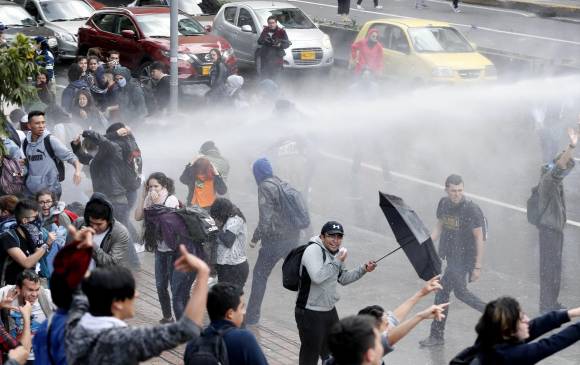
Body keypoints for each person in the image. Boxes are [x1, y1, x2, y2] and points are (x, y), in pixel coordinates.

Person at [65, 242, 210, 365]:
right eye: (131, 292)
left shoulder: (74, 322)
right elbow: (187, 329)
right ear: (116, 304)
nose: (137, 294)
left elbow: (79, 289)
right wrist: (203, 272)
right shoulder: (122, 341)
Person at [295, 221, 376, 365]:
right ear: (322, 236)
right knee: (310, 354)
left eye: (339, 237)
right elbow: (317, 277)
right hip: (309, 312)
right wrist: (338, 261)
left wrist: (364, 269)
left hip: (329, 311)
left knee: (335, 352)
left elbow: (343, 278)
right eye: (331, 236)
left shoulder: (337, 254)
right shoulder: (313, 250)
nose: (335, 240)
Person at [419, 174, 486, 347]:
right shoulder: (444, 204)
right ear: (446, 190)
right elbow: (439, 226)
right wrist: (427, 242)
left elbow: (480, 238)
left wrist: (478, 266)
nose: (457, 194)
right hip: (451, 256)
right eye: (453, 191)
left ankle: (436, 335)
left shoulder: (471, 209)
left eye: (460, 190)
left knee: (446, 292)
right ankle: (437, 336)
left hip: (465, 258)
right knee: (452, 292)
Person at [245, 158, 301, 325]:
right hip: (292, 237)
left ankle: (252, 317)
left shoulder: (265, 187)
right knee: (300, 275)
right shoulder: (281, 182)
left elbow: (266, 219)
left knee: (259, 275)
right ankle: (310, 313)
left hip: (274, 240)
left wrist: (255, 238)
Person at [450, 296, 580, 365]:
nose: (527, 320)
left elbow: (534, 326)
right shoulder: (509, 357)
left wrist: (572, 313)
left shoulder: (490, 339)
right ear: (509, 330)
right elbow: (552, 344)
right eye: (522, 319)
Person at [535, 128, 577, 313]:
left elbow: (561, 161)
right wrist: (572, 145)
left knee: (555, 269)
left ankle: (552, 302)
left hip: (555, 231)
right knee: (549, 271)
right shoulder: (548, 180)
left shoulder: (552, 177)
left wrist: (570, 148)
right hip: (549, 231)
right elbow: (560, 165)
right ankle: (546, 307)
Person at [135, 172, 186, 324]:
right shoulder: (149, 200)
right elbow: (137, 216)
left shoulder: (171, 200)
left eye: (156, 186)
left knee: (175, 287)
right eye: (150, 187)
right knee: (160, 285)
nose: (153, 190)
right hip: (160, 250)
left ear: (164, 186)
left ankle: (182, 322)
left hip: (174, 251)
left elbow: (171, 227)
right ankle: (167, 317)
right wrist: (143, 196)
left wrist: (156, 206)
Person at [71, 127, 137, 240]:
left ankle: (135, 243)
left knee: (122, 226)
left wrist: (87, 132)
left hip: (116, 198)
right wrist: (76, 145)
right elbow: (83, 158)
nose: (89, 151)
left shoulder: (112, 153)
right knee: (113, 227)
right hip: (104, 198)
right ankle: (133, 242)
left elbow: (105, 142)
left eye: (90, 148)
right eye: (87, 148)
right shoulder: (95, 159)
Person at [184, 282, 268, 365]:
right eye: (242, 307)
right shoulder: (244, 339)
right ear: (230, 314)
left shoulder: (193, 343)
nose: (244, 312)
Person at [23, 111, 82, 198]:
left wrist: (77, 171)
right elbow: (29, 164)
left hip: (50, 192)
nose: (41, 126)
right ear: (29, 125)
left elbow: (71, 156)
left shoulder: (50, 140)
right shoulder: (26, 142)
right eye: (37, 123)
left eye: (43, 122)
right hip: (32, 192)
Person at [74, 193, 139, 270]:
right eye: (92, 222)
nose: (94, 227)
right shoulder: (79, 223)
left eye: (99, 224)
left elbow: (111, 264)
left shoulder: (120, 233)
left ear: (108, 220)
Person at [0, 270, 54, 363]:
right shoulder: (6, 293)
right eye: (30, 290)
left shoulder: (47, 296)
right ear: (18, 288)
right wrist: (0, 305)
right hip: (15, 356)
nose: (34, 294)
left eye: (37, 289)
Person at [0, 200, 55, 285]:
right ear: (25, 220)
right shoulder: (8, 237)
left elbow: (39, 256)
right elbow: (27, 263)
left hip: (31, 286)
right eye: (35, 217)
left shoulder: (33, 234)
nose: (39, 219)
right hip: (12, 288)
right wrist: (46, 245)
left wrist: (47, 244)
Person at [209, 198, 249, 289]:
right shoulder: (227, 218)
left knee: (232, 300)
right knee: (224, 300)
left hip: (234, 268)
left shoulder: (235, 219)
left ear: (221, 212)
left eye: (216, 215)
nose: (216, 218)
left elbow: (228, 241)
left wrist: (215, 228)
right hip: (225, 267)